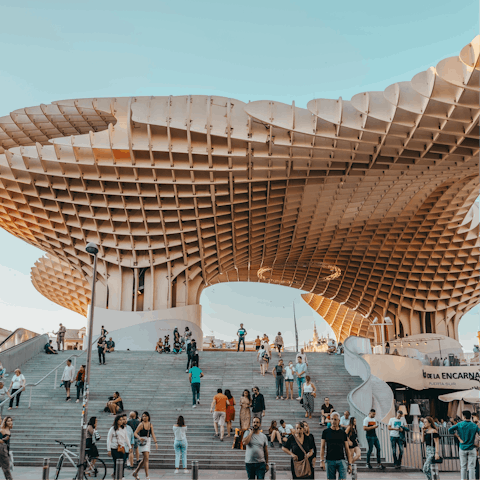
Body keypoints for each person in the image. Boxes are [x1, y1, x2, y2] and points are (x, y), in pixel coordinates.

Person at [449, 410, 480, 480]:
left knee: (463, 467)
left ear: (464, 416)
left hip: (462, 447)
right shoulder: (474, 425)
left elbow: (450, 430)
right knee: (472, 467)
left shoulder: (460, 424)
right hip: (472, 447)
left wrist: (458, 437)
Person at [320, 412, 352, 480]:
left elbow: (347, 449)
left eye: (335, 419)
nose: (333, 421)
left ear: (339, 421)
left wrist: (350, 464)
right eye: (332, 419)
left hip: (341, 460)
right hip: (329, 460)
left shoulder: (343, 433)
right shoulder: (325, 432)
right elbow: (322, 447)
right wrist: (321, 460)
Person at [133, 411, 158, 479]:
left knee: (145, 459)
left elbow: (152, 434)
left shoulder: (150, 424)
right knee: (146, 458)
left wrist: (155, 442)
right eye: (143, 416)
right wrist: (139, 437)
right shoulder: (141, 424)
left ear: (148, 417)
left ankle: (135, 472)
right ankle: (147, 476)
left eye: (145, 416)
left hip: (148, 441)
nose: (144, 417)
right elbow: (135, 433)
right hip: (142, 441)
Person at [107, 413, 130, 478]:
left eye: (122, 420)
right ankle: (116, 475)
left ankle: (121, 476)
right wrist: (109, 450)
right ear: (117, 421)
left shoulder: (124, 428)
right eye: (120, 420)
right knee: (116, 463)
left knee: (122, 463)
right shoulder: (112, 429)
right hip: (114, 448)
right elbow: (109, 439)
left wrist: (130, 447)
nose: (121, 421)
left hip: (122, 448)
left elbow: (126, 438)